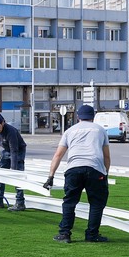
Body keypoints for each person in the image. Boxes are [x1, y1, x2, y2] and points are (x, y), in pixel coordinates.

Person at [42, 104, 111, 243]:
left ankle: (65, 234)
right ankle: (92, 234)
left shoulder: (70, 131)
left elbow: (58, 155)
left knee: (70, 202)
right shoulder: (100, 130)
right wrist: (105, 174)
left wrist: (51, 176)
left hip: (73, 169)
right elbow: (106, 157)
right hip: (95, 169)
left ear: (78, 116)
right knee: (97, 203)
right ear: (93, 116)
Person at [0, 113, 28, 212]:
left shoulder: (11, 131)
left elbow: (14, 151)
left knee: (18, 176)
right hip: (5, 150)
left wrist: (14, 169)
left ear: (3, 122)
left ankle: (20, 202)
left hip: (18, 151)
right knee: (1, 174)